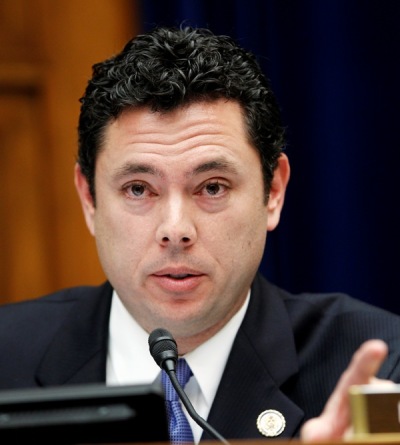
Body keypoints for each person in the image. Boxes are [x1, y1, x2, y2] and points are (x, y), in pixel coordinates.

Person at [0, 26, 399, 443]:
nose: (175, 230)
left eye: (212, 187)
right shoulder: (6, 360)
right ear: (89, 199)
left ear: (273, 193)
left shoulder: (378, 373)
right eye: (139, 189)